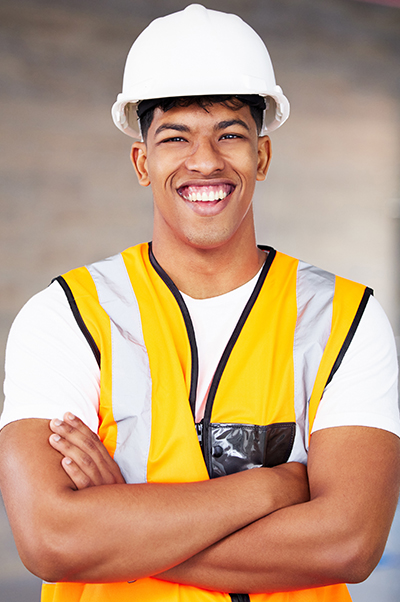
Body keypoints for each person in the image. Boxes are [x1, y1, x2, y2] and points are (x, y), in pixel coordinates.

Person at [0, 5, 399, 602]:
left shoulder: (345, 318)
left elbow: (348, 543)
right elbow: (51, 541)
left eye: (231, 135)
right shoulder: (65, 316)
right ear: (143, 162)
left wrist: (118, 524)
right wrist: (276, 489)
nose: (205, 160)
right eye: (175, 136)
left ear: (262, 156)